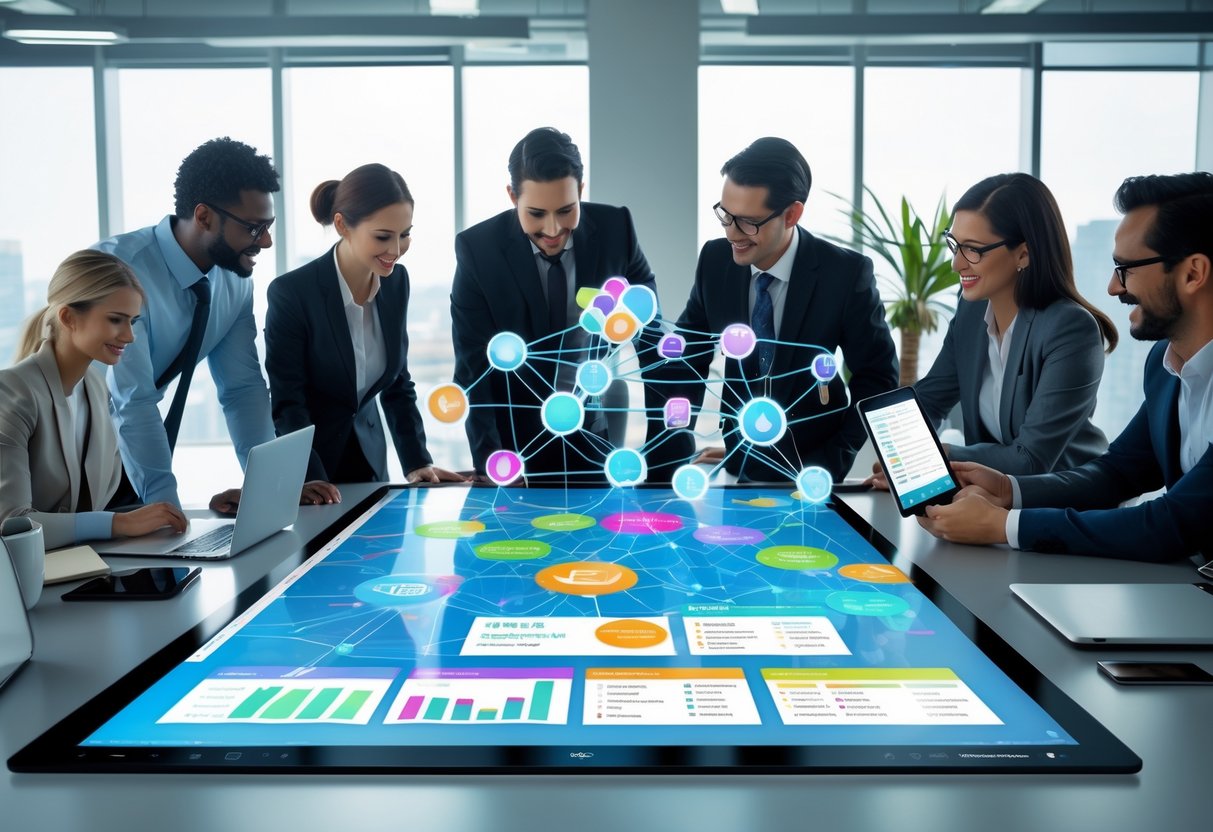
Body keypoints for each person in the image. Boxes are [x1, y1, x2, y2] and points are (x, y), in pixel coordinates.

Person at [918, 171, 1213, 563]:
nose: (1112, 287)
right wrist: (1007, 489)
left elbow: (1172, 523)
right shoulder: (1165, 369)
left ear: (1193, 273)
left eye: (1126, 269)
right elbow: (1119, 472)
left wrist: (1005, 526)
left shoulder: (1068, 326)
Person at [94, 137, 339, 513]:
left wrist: (271, 490)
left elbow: (241, 389)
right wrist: (167, 511)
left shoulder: (235, 282)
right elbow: (133, 400)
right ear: (205, 217)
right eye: (255, 228)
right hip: (74, 454)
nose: (268, 241)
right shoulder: (120, 268)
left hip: (131, 451)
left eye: (269, 226)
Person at [450, 126, 680, 482]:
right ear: (512, 196)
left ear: (581, 191)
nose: (554, 229)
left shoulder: (616, 229)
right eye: (537, 213)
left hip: (592, 436)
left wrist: (664, 458)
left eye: (566, 210)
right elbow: (473, 367)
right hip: (516, 445)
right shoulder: (478, 251)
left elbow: (652, 343)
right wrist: (491, 461)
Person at [668, 137, 899, 482]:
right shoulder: (715, 261)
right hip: (738, 463)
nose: (732, 233)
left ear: (792, 214)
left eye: (748, 222)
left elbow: (878, 378)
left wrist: (836, 456)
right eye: (725, 215)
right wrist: (676, 445)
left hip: (815, 469)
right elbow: (688, 358)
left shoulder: (845, 275)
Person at [869, 173, 1118, 491]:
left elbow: (1030, 460)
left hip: (1064, 504)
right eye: (954, 245)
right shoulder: (972, 312)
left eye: (973, 250)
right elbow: (929, 402)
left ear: (1024, 254)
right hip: (986, 498)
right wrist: (903, 453)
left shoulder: (1071, 329)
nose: (957, 264)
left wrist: (938, 457)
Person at [265, 163, 463, 485]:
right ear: (342, 225)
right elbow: (288, 401)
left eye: (405, 234)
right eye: (383, 236)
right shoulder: (293, 293)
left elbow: (398, 382)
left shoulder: (396, 282)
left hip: (371, 466)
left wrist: (416, 462)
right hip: (312, 474)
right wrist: (307, 478)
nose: (396, 250)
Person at [0, 251, 187, 551]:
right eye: (116, 320)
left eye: (133, 322)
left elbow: (89, 504)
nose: (129, 336)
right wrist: (117, 524)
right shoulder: (11, 392)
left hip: (81, 569)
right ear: (68, 318)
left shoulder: (96, 388)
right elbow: (12, 524)